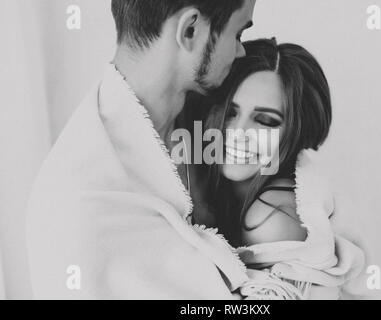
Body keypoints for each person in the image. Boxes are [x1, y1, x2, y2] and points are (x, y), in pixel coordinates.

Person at [26, 0, 256, 299]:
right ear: (190, 30)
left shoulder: (222, 119)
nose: (241, 52)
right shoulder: (81, 206)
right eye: (237, 34)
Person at [188, 38, 367, 299]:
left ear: (295, 133)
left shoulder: (272, 217)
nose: (238, 133)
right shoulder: (203, 181)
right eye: (230, 112)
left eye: (265, 121)